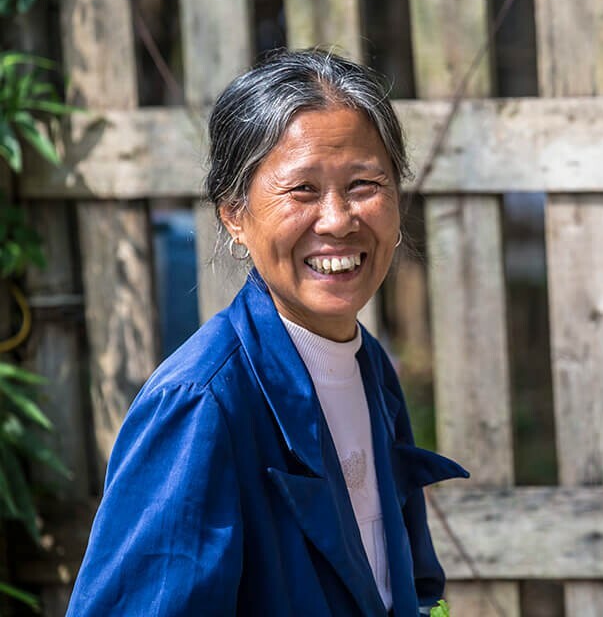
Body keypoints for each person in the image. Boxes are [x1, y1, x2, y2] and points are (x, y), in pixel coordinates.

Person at [66, 49, 468, 616]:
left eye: (363, 184)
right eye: (302, 189)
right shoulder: (202, 404)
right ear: (235, 214)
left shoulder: (367, 367)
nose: (337, 219)